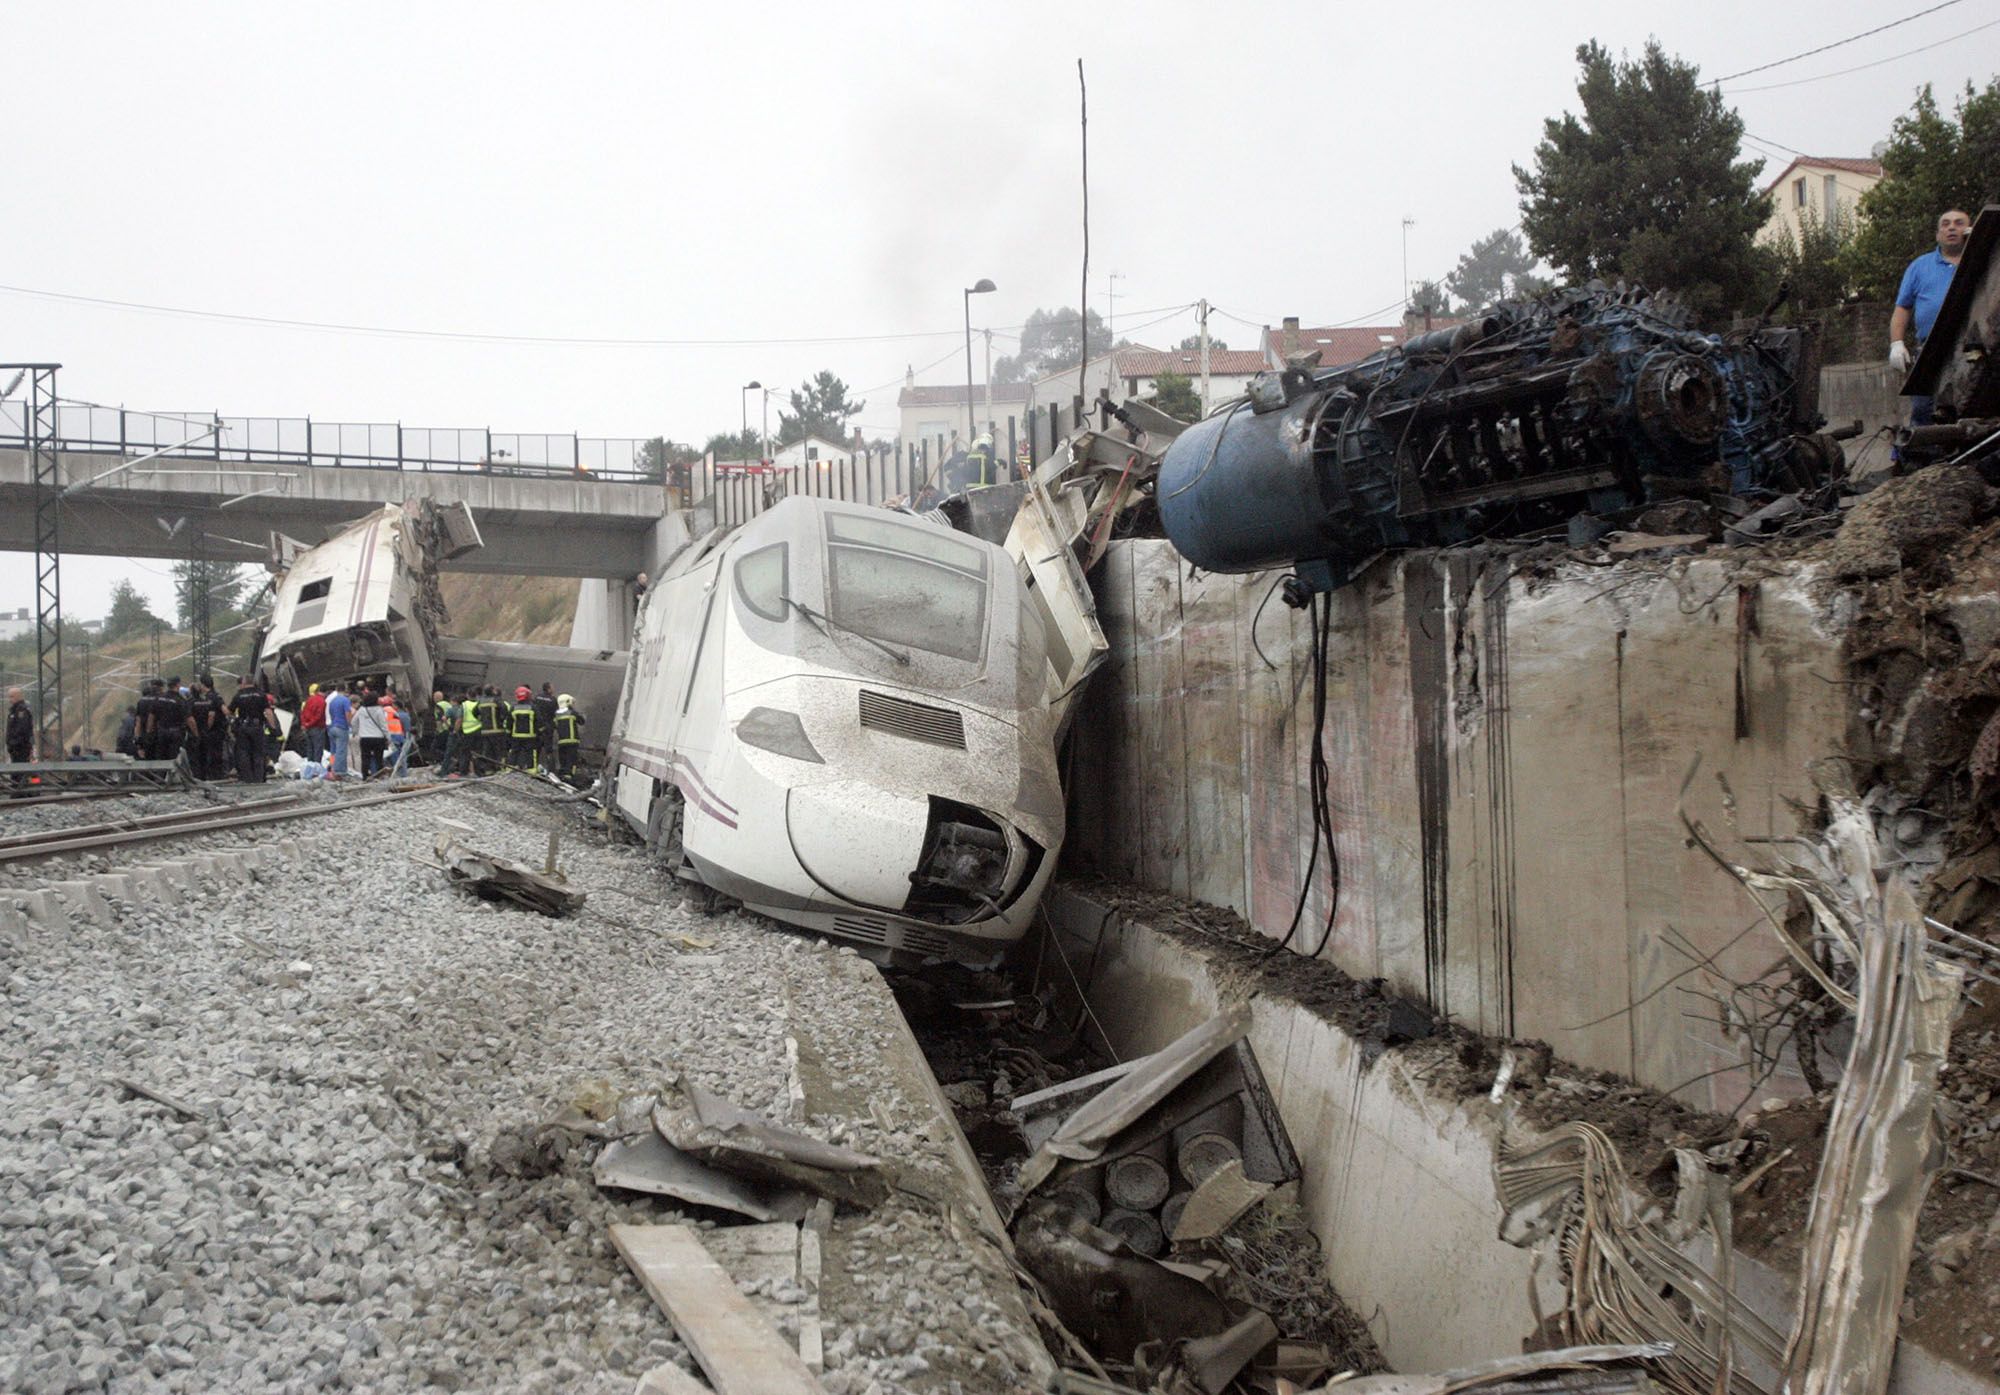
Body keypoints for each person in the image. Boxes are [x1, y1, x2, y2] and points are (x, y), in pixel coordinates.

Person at [1890, 208, 1972, 438]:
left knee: (1972, 407)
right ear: (1938, 234)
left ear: (1968, 230)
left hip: (1973, 349)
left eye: (1958, 223)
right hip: (1930, 350)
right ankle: (1924, 464)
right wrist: (1896, 343)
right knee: (1923, 410)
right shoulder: (1919, 266)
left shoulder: (1984, 260)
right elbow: (1902, 307)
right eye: (1945, 224)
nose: (1952, 228)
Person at [229, 675, 276, 783]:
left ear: (244, 682)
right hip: (257, 727)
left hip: (243, 728)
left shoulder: (239, 695)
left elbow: (229, 711)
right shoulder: (261, 694)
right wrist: (272, 726)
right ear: (254, 682)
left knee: (244, 753)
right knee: (258, 753)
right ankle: (258, 779)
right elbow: (268, 712)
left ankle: (247, 779)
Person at [187, 678, 222, 780]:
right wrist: (207, 728)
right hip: (206, 732)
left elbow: (190, 719)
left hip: (194, 734)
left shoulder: (190, 702)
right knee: (205, 756)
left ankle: (196, 777)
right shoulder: (207, 702)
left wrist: (195, 733)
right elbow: (211, 716)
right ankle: (205, 776)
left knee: (194, 757)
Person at [553, 693, 585, 783]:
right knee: (572, 760)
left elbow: (555, 726)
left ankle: (562, 775)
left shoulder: (556, 715)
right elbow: (582, 721)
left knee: (563, 759)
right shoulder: (572, 713)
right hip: (572, 740)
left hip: (561, 741)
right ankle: (570, 777)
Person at [355, 692, 389, 777]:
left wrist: (356, 731)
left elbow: (354, 721)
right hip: (378, 738)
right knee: (379, 758)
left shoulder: (361, 710)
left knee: (365, 758)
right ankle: (380, 775)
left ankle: (365, 776)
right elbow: (383, 725)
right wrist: (388, 737)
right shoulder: (379, 710)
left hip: (365, 737)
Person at [325, 681, 354, 780]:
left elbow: (330, 713)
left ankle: (332, 769)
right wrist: (350, 724)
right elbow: (347, 713)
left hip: (332, 727)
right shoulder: (345, 700)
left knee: (334, 751)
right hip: (341, 727)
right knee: (342, 750)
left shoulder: (332, 701)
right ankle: (340, 772)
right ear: (345, 689)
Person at [508, 685, 540, 772]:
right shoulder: (533, 707)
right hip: (530, 735)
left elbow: (509, 722)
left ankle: (510, 767)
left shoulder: (513, 707)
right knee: (530, 752)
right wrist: (540, 732)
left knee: (514, 751)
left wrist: (508, 733)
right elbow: (539, 721)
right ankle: (531, 769)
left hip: (516, 735)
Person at [478, 685, 505, 771]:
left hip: (485, 730)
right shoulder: (496, 700)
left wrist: (481, 719)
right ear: (493, 691)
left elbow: (474, 712)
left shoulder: (481, 701)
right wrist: (501, 719)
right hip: (496, 730)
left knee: (487, 751)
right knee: (497, 750)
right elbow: (504, 709)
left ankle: (487, 769)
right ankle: (498, 768)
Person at [299, 683, 328, 764]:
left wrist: (304, 724)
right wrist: (310, 724)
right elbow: (318, 716)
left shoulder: (310, 699)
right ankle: (316, 767)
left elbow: (303, 712)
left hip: (308, 728)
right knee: (318, 749)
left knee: (310, 749)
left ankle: (310, 766)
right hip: (317, 728)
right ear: (326, 692)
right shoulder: (322, 701)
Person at [456, 688, 482, 775]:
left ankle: (463, 772)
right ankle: (478, 772)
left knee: (465, 753)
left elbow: (459, 720)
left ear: (468, 695)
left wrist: (455, 731)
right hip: (479, 732)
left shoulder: (464, 705)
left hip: (467, 732)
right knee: (477, 753)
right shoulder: (480, 705)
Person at [383, 694, 410, 777]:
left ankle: (393, 773)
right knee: (402, 757)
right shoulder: (404, 715)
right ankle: (403, 774)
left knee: (390, 756)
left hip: (391, 737)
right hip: (401, 737)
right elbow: (407, 728)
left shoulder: (388, 713)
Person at [534, 683, 559, 768]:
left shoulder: (537, 697)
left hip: (537, 727)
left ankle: (533, 766)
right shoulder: (553, 700)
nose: (553, 689)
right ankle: (551, 768)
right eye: (552, 688)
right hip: (548, 727)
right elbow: (556, 713)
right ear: (548, 689)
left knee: (536, 748)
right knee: (548, 749)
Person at [6, 687, 33, 764]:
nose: (10, 699)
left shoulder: (21, 711)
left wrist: (14, 743)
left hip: (20, 748)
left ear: (18, 696)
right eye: (9, 697)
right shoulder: (13, 711)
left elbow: (22, 729)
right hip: (14, 749)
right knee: (16, 773)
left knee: (20, 772)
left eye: (12, 696)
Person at [431, 689, 454, 766]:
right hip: (450, 728)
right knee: (444, 747)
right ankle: (445, 763)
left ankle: (449, 760)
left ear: (436, 698)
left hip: (443, 729)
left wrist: (438, 731)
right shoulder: (448, 704)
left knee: (434, 748)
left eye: (434, 697)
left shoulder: (438, 705)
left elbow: (439, 720)